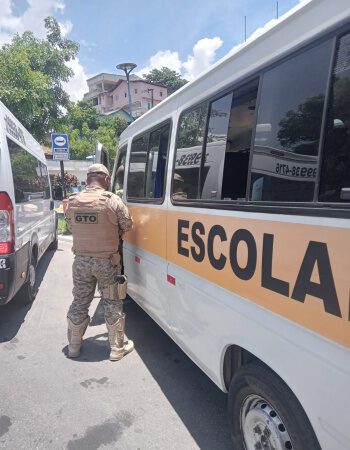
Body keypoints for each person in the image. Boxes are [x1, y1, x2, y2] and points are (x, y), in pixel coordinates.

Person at [65, 163, 133, 361]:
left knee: (80, 301)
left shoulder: (73, 201)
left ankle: (74, 347)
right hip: (107, 263)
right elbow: (127, 225)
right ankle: (116, 349)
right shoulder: (111, 200)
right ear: (106, 180)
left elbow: (70, 226)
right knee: (112, 302)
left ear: (87, 180)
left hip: (81, 262)